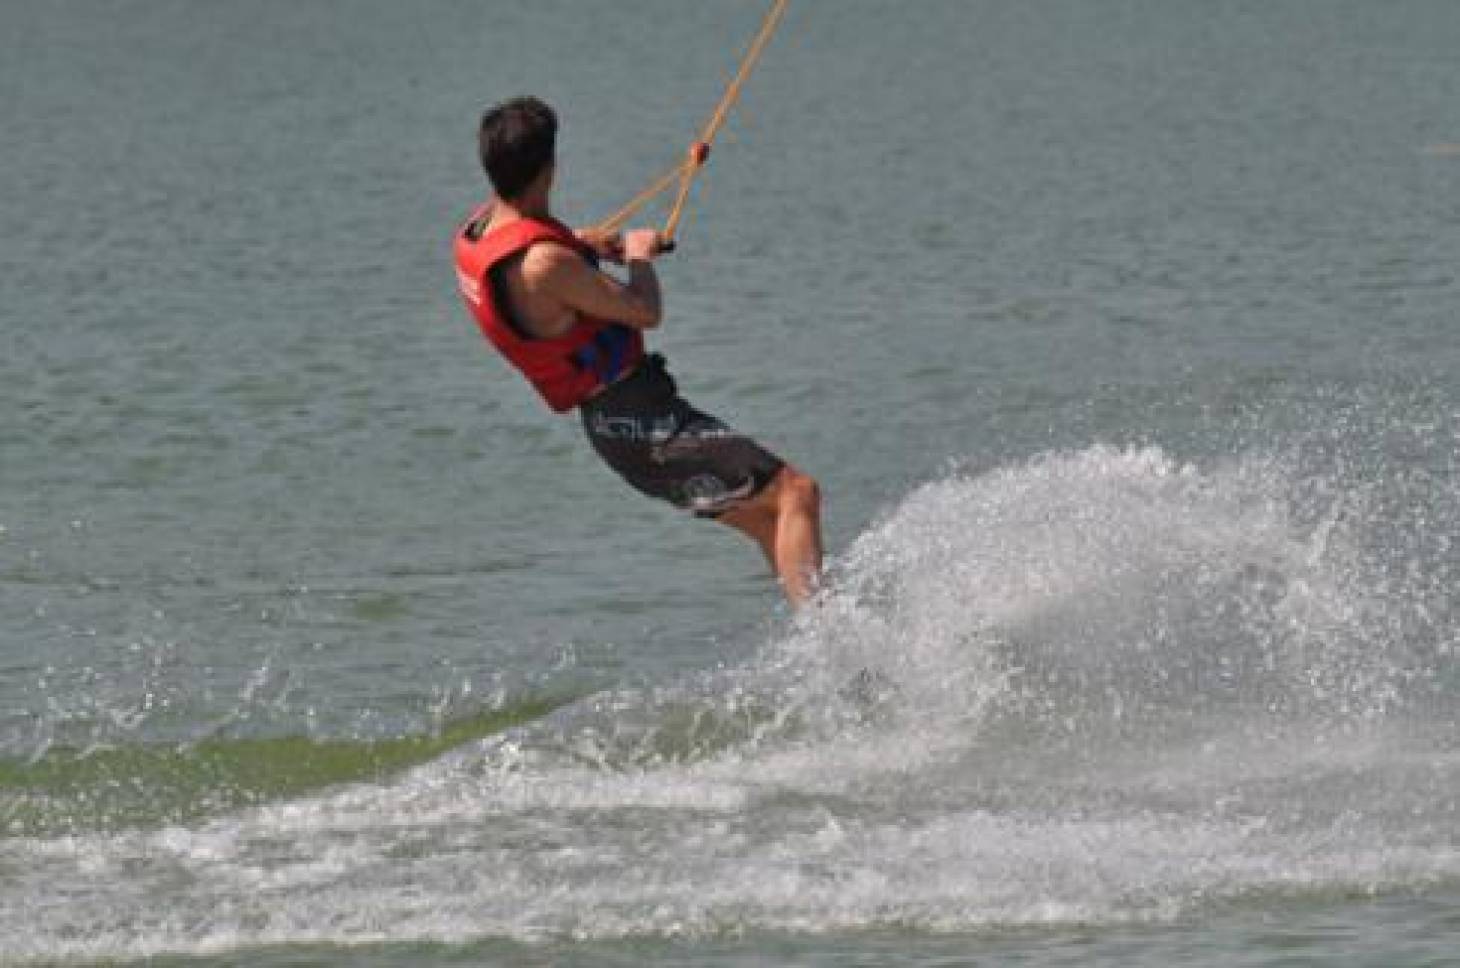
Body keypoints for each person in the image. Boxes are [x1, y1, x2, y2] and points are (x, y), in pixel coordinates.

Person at [453, 96, 822, 605]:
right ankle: (832, 642)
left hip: (623, 422)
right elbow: (644, 312)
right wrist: (639, 258)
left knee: (769, 519)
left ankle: (828, 646)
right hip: (642, 426)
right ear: (550, 168)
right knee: (798, 492)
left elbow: (546, 257)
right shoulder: (544, 265)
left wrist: (592, 245)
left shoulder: (482, 225)